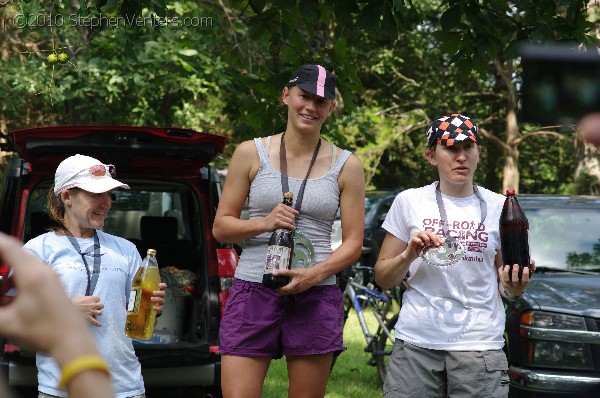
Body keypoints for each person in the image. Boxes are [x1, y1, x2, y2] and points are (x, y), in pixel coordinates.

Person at [212, 64, 365, 398]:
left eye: (321, 101)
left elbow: (354, 243)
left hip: (316, 294)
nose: (310, 107)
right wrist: (264, 223)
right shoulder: (250, 153)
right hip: (253, 289)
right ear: (286, 95)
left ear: (331, 108)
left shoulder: (347, 165)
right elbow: (221, 226)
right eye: (304, 96)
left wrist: (314, 275)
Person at [374, 114, 534, 398]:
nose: (461, 157)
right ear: (431, 156)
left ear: (478, 153)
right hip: (417, 344)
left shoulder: (502, 207)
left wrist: (515, 286)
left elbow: (506, 288)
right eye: (450, 148)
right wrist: (409, 255)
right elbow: (384, 278)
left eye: (468, 148)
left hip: (480, 348)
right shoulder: (409, 202)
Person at [22, 154, 166, 398]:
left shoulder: (126, 249)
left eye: (109, 195)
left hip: (124, 388)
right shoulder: (38, 250)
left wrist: (154, 307)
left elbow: (136, 311)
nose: (106, 203)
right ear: (67, 196)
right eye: (96, 194)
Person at [0, 232, 114, 398]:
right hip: (54, 385)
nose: (106, 205)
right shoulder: (38, 246)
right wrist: (67, 326)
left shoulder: (126, 248)